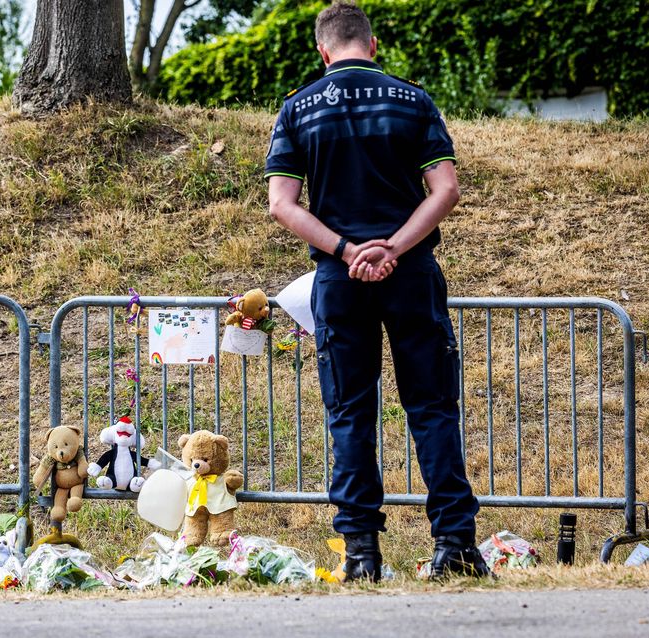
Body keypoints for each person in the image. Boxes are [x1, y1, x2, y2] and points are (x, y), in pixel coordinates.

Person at [265, 1, 488, 581]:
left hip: (339, 281)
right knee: (433, 407)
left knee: (350, 414)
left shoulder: (297, 109)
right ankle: (455, 545)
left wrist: (345, 250)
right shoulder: (413, 99)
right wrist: (394, 247)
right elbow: (445, 190)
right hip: (410, 271)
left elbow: (282, 204)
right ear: (373, 43)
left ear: (322, 50)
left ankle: (361, 553)